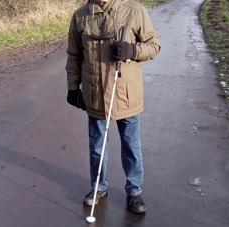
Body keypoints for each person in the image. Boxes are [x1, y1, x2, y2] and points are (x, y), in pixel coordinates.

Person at [66, 0, 160, 213]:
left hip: (127, 95)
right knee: (97, 146)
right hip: (95, 95)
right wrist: (73, 88)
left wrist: (132, 51)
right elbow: (74, 55)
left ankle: (134, 191)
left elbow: (154, 45)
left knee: (131, 147)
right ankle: (98, 187)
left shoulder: (134, 10)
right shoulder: (80, 16)